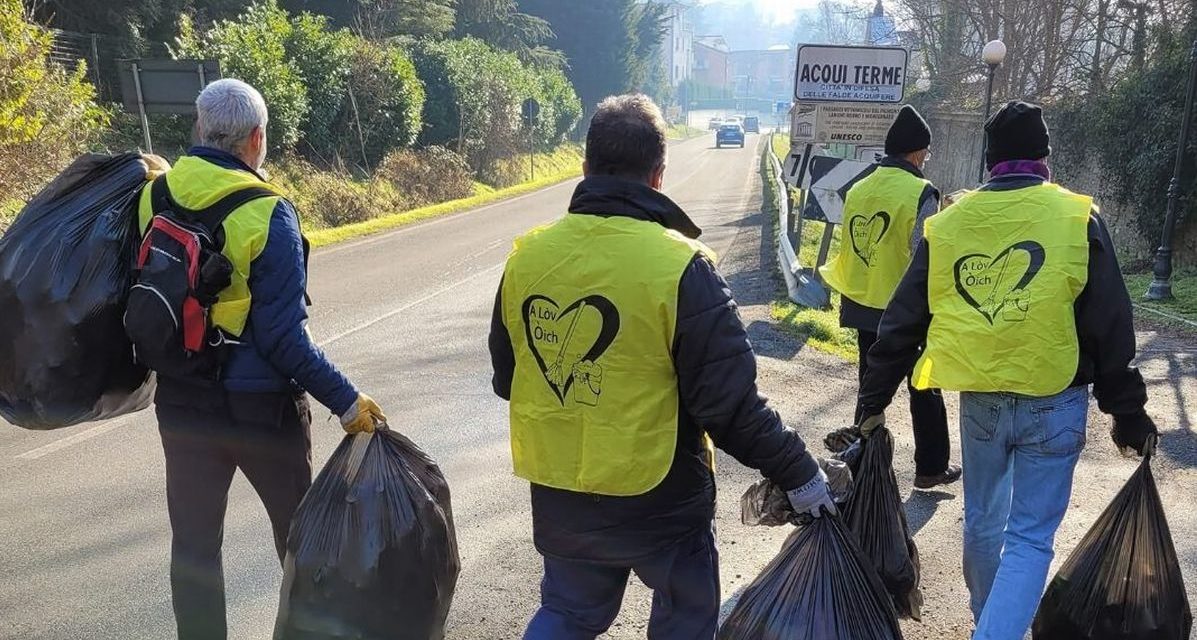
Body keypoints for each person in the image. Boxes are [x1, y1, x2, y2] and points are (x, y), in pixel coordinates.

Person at [488, 94, 834, 639]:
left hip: (562, 487)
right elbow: (729, 407)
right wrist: (799, 474)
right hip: (661, 496)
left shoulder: (525, 260)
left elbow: (509, 380)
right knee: (685, 614)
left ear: (585, 168)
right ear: (658, 175)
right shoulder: (681, 268)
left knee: (569, 614)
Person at [855, 100, 1158, 640]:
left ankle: (988, 620)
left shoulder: (949, 224)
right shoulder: (1076, 217)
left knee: (982, 522)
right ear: (1044, 156)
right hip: (1055, 398)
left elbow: (902, 322)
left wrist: (871, 402)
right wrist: (1127, 412)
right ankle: (993, 630)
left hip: (982, 402)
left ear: (989, 159)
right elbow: (1111, 322)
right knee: (1029, 539)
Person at [138, 79, 387, 640]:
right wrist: (347, 401)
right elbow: (282, 339)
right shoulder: (268, 210)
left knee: (196, 546)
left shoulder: (155, 195)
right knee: (301, 542)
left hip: (182, 401)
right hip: (261, 411)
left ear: (201, 129)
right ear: (257, 139)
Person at [819, 105, 961, 489]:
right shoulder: (920, 192)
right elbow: (924, 256)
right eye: (926, 153)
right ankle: (931, 467)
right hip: (903, 310)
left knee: (871, 384)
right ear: (917, 152)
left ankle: (860, 466)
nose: (926, 160)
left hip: (862, 302)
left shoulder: (859, 188)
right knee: (924, 384)